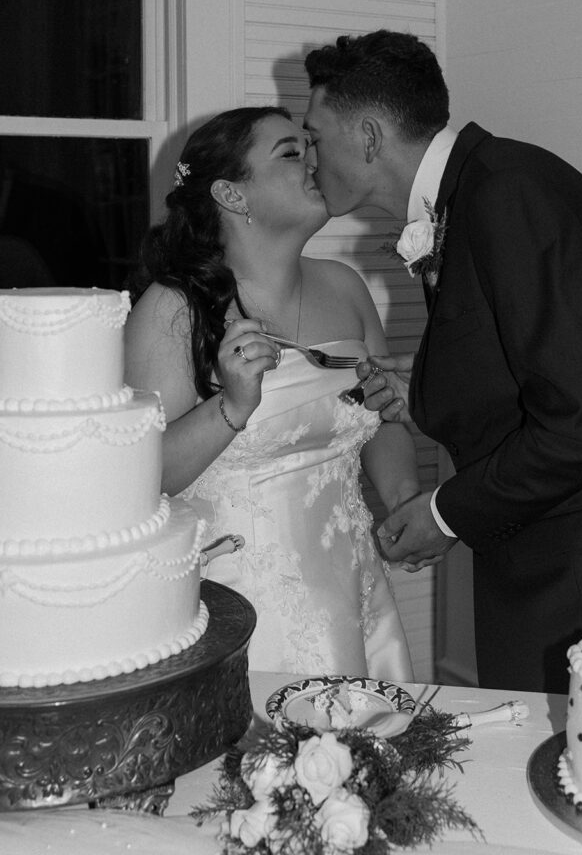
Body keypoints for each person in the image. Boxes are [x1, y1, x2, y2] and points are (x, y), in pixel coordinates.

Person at [303, 29, 582, 693]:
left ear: (367, 137)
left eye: (314, 135)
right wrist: (426, 389)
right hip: (564, 562)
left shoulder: (509, 195)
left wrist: (446, 512)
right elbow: (540, 366)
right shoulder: (482, 190)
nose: (310, 157)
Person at [125, 105, 417, 681]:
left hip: (353, 585)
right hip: (244, 602)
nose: (314, 160)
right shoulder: (172, 310)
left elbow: (383, 415)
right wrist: (230, 407)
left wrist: (407, 498)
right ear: (232, 195)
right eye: (290, 152)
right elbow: (143, 478)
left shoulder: (344, 286)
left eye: (309, 145)